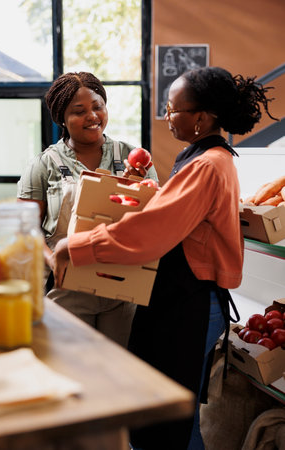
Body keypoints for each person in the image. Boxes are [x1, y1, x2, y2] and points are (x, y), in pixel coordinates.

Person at [51, 66, 278, 449]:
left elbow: (153, 231)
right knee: (175, 419)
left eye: (173, 109)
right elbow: (183, 219)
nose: (167, 116)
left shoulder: (207, 166)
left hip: (188, 305)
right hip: (181, 300)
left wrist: (77, 246)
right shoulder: (208, 158)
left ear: (201, 118)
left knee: (167, 425)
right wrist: (152, 193)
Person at [17, 71, 158, 348]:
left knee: (115, 368)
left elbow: (156, 215)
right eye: (79, 111)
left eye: (98, 106)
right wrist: (51, 260)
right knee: (70, 364)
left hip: (122, 283)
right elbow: (27, 226)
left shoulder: (134, 158)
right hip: (68, 283)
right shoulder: (45, 164)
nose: (92, 116)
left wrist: (141, 189)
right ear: (62, 119)